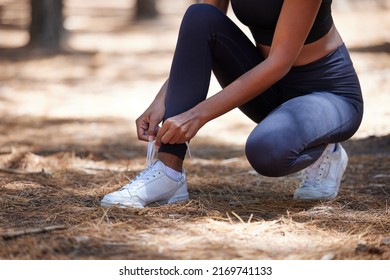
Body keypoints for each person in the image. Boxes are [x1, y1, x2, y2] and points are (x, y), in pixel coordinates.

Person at [101, 0, 363, 208]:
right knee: (200, 15)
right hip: (269, 89)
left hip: (326, 93)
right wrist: (162, 100)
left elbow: (279, 61)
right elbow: (199, 38)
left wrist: (197, 115)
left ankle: (327, 148)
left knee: (268, 152)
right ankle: (168, 173)